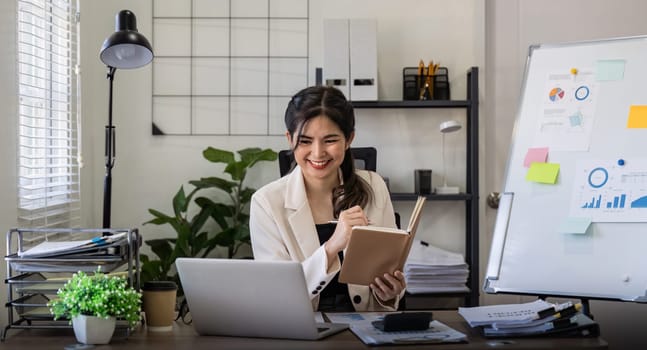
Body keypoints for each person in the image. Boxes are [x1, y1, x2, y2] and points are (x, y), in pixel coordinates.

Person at [250, 85, 405, 312]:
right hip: (300, 331)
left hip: (364, 330)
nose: (318, 152)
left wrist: (390, 293)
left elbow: (386, 287)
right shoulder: (266, 202)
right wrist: (333, 246)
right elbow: (277, 294)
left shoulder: (374, 186)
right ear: (289, 139)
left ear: (349, 139)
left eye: (330, 140)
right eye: (305, 141)